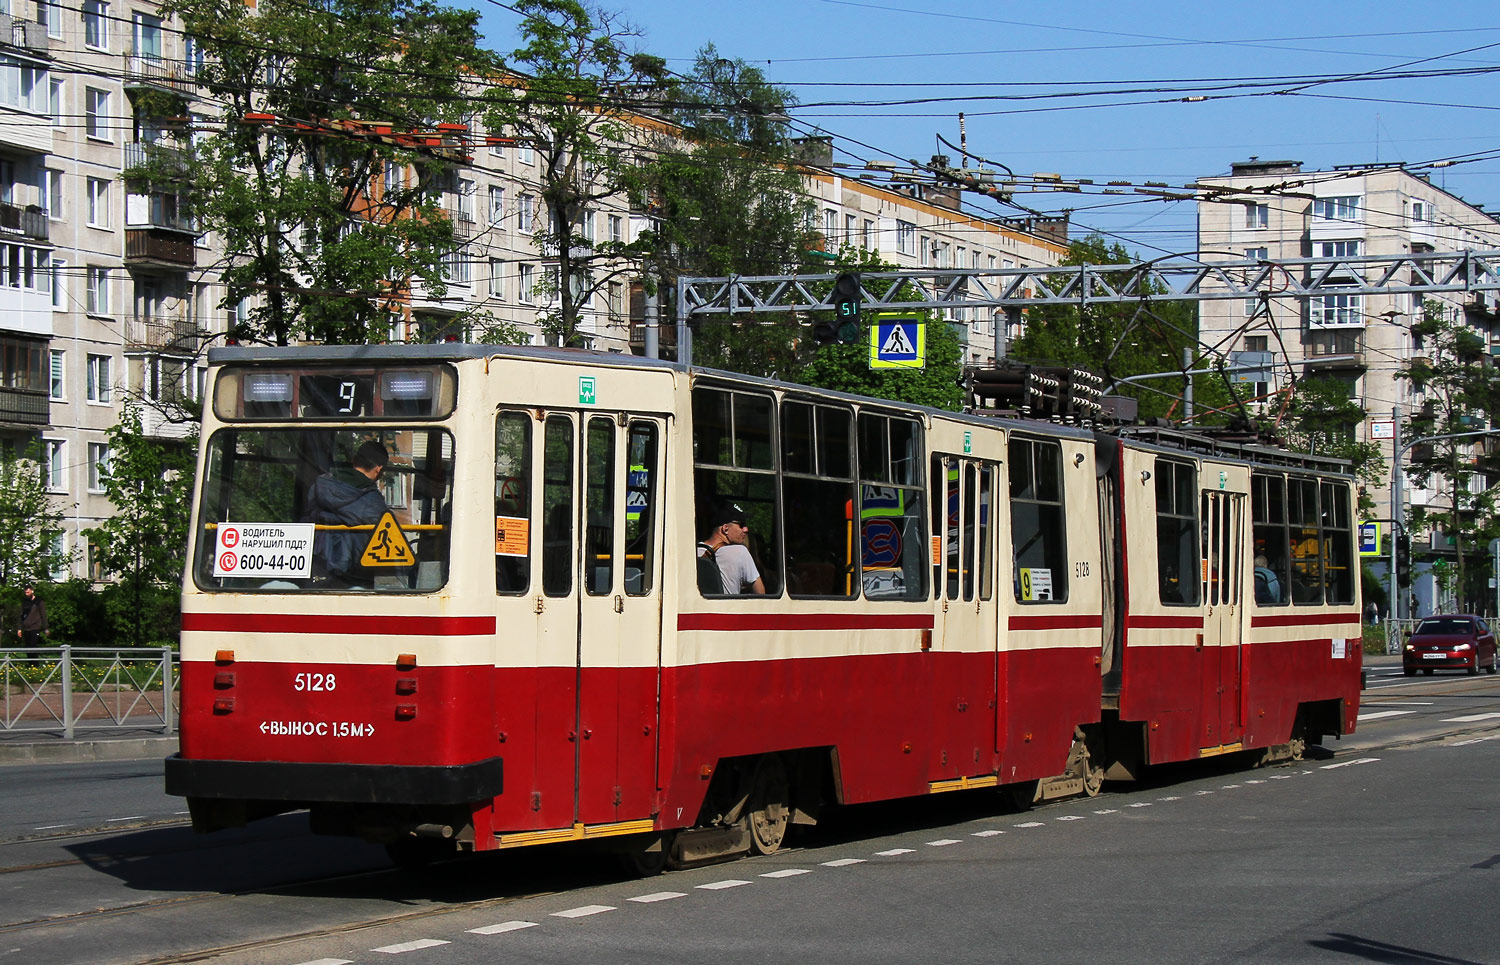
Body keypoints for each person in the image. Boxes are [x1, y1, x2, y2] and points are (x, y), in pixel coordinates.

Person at [307, 440, 390, 583]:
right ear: (378, 469)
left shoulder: (319, 486)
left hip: (316, 562)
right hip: (353, 573)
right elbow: (386, 535)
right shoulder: (373, 501)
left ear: (354, 461)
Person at [697, 502, 766, 595]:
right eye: (741, 525)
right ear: (725, 528)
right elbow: (760, 593)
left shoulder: (693, 551)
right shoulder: (740, 552)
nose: (746, 529)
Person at [17, 585, 46, 657]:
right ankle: (30, 664)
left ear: (32, 591)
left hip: (35, 627)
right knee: (27, 646)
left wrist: (46, 628)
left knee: (33, 645)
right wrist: (19, 628)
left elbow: (43, 615)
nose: (26, 594)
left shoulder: (39, 601)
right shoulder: (24, 602)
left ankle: (35, 663)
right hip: (26, 627)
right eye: (25, 593)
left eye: (28, 592)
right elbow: (21, 615)